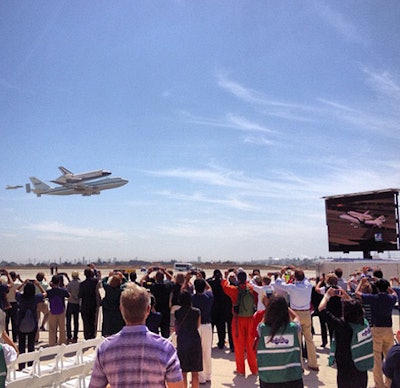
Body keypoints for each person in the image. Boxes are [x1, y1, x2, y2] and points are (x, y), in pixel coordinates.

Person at [89, 283, 184, 388]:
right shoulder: (165, 348)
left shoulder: (105, 348)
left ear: (121, 309)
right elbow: (177, 386)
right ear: (148, 310)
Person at [319, 287, 371, 388]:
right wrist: (346, 296)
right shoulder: (363, 323)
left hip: (345, 364)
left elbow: (321, 309)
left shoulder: (342, 325)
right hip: (360, 363)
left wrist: (327, 295)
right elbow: (358, 309)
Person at [273, 267, 319, 372]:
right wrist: (295, 269)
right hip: (306, 313)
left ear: (295, 277)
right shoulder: (308, 285)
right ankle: (313, 363)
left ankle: (299, 364)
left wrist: (282, 273)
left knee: (296, 341)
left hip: (295, 314)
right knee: (309, 339)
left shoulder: (292, 287)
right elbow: (305, 278)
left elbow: (278, 283)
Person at [356, 277, 397, 388]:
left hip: (376, 329)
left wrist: (361, 282)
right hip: (388, 330)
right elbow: (394, 293)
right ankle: (389, 383)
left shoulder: (374, 298)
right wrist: (387, 286)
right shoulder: (391, 298)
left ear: (377, 288)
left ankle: (379, 384)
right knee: (390, 358)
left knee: (376, 359)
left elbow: (357, 293)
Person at [256, 294, 303, 388]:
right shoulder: (293, 329)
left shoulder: (262, 329)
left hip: (268, 378)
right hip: (292, 377)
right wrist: (286, 307)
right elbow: (297, 318)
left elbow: (262, 323)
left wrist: (269, 307)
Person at [222, 269, 258, 376]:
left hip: (238, 320)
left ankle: (241, 370)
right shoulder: (251, 289)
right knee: (250, 345)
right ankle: (254, 369)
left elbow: (224, 286)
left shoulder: (234, 290)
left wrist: (226, 276)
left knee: (239, 345)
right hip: (250, 318)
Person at [15, 280, 46, 368]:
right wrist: (38, 285)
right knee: (31, 344)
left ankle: (21, 365)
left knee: (21, 345)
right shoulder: (36, 297)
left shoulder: (20, 297)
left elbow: (15, 291)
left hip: (21, 322)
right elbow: (44, 293)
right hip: (33, 322)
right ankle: (30, 364)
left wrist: (23, 283)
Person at [175, 291, 202, 388]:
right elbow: (198, 325)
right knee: (195, 373)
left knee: (183, 372)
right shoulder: (197, 312)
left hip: (182, 341)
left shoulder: (177, 313)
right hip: (194, 341)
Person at [191, 276, 213, 384]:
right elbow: (210, 289)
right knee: (207, 351)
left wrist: (187, 279)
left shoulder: (192, 298)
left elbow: (183, 290)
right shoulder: (208, 297)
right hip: (207, 326)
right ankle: (208, 374)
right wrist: (202, 278)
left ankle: (201, 376)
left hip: (197, 326)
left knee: (197, 352)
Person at [46, 275, 70, 346]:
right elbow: (68, 295)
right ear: (59, 282)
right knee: (62, 328)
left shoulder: (49, 291)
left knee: (52, 328)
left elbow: (44, 294)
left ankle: (52, 343)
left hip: (52, 311)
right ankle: (62, 342)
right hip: (61, 311)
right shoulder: (62, 291)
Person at [101, 271, 126, 336]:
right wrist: (123, 277)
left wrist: (108, 276)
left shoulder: (108, 288)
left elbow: (103, 281)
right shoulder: (121, 291)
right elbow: (126, 284)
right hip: (117, 312)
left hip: (108, 311)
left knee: (107, 326)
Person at [79, 267, 101, 340]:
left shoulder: (82, 284)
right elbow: (98, 276)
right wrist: (94, 268)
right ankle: (92, 336)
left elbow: (80, 295)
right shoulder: (95, 282)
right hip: (93, 305)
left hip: (85, 305)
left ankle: (86, 337)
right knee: (93, 321)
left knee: (86, 322)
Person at [66, 270, 81, 344]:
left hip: (70, 302)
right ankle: (75, 337)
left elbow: (67, 292)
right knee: (76, 321)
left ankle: (69, 336)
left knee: (68, 321)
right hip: (77, 303)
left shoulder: (70, 284)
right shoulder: (80, 283)